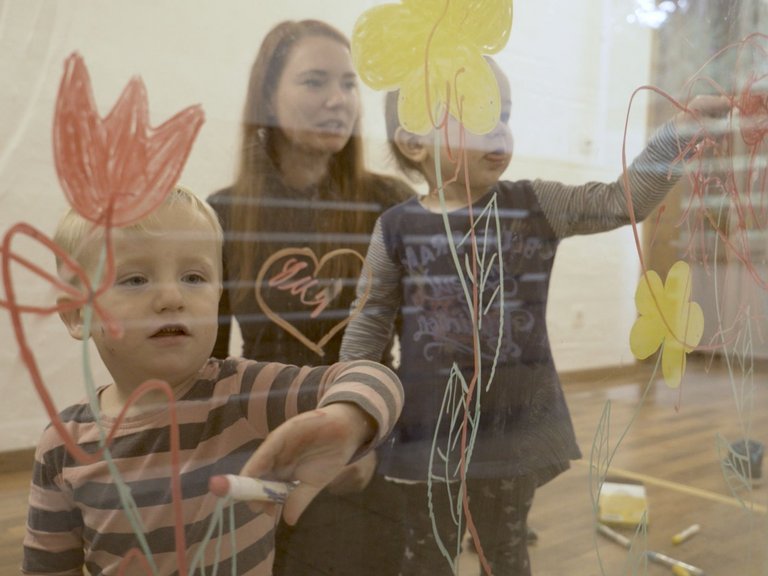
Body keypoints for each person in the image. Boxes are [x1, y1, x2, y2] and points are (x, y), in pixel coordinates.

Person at [339, 58, 732, 575]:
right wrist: (352, 415)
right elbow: (367, 326)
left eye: (503, 113)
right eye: (478, 115)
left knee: (503, 551)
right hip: (424, 434)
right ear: (414, 143)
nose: (499, 128)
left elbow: (621, 201)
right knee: (425, 554)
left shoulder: (533, 204)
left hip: (511, 433)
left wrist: (677, 137)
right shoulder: (395, 228)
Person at [22, 186, 403, 576]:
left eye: (193, 277)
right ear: (75, 314)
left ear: (219, 294)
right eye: (135, 280)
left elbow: (373, 376)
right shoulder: (62, 446)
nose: (172, 297)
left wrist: (346, 418)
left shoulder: (244, 393)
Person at [206, 19, 414, 576]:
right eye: (316, 82)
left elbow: (428, 352)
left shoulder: (391, 203)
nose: (338, 101)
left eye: (348, 84)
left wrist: (370, 438)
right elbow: (209, 365)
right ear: (268, 97)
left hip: (370, 454)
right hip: (265, 455)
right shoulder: (224, 214)